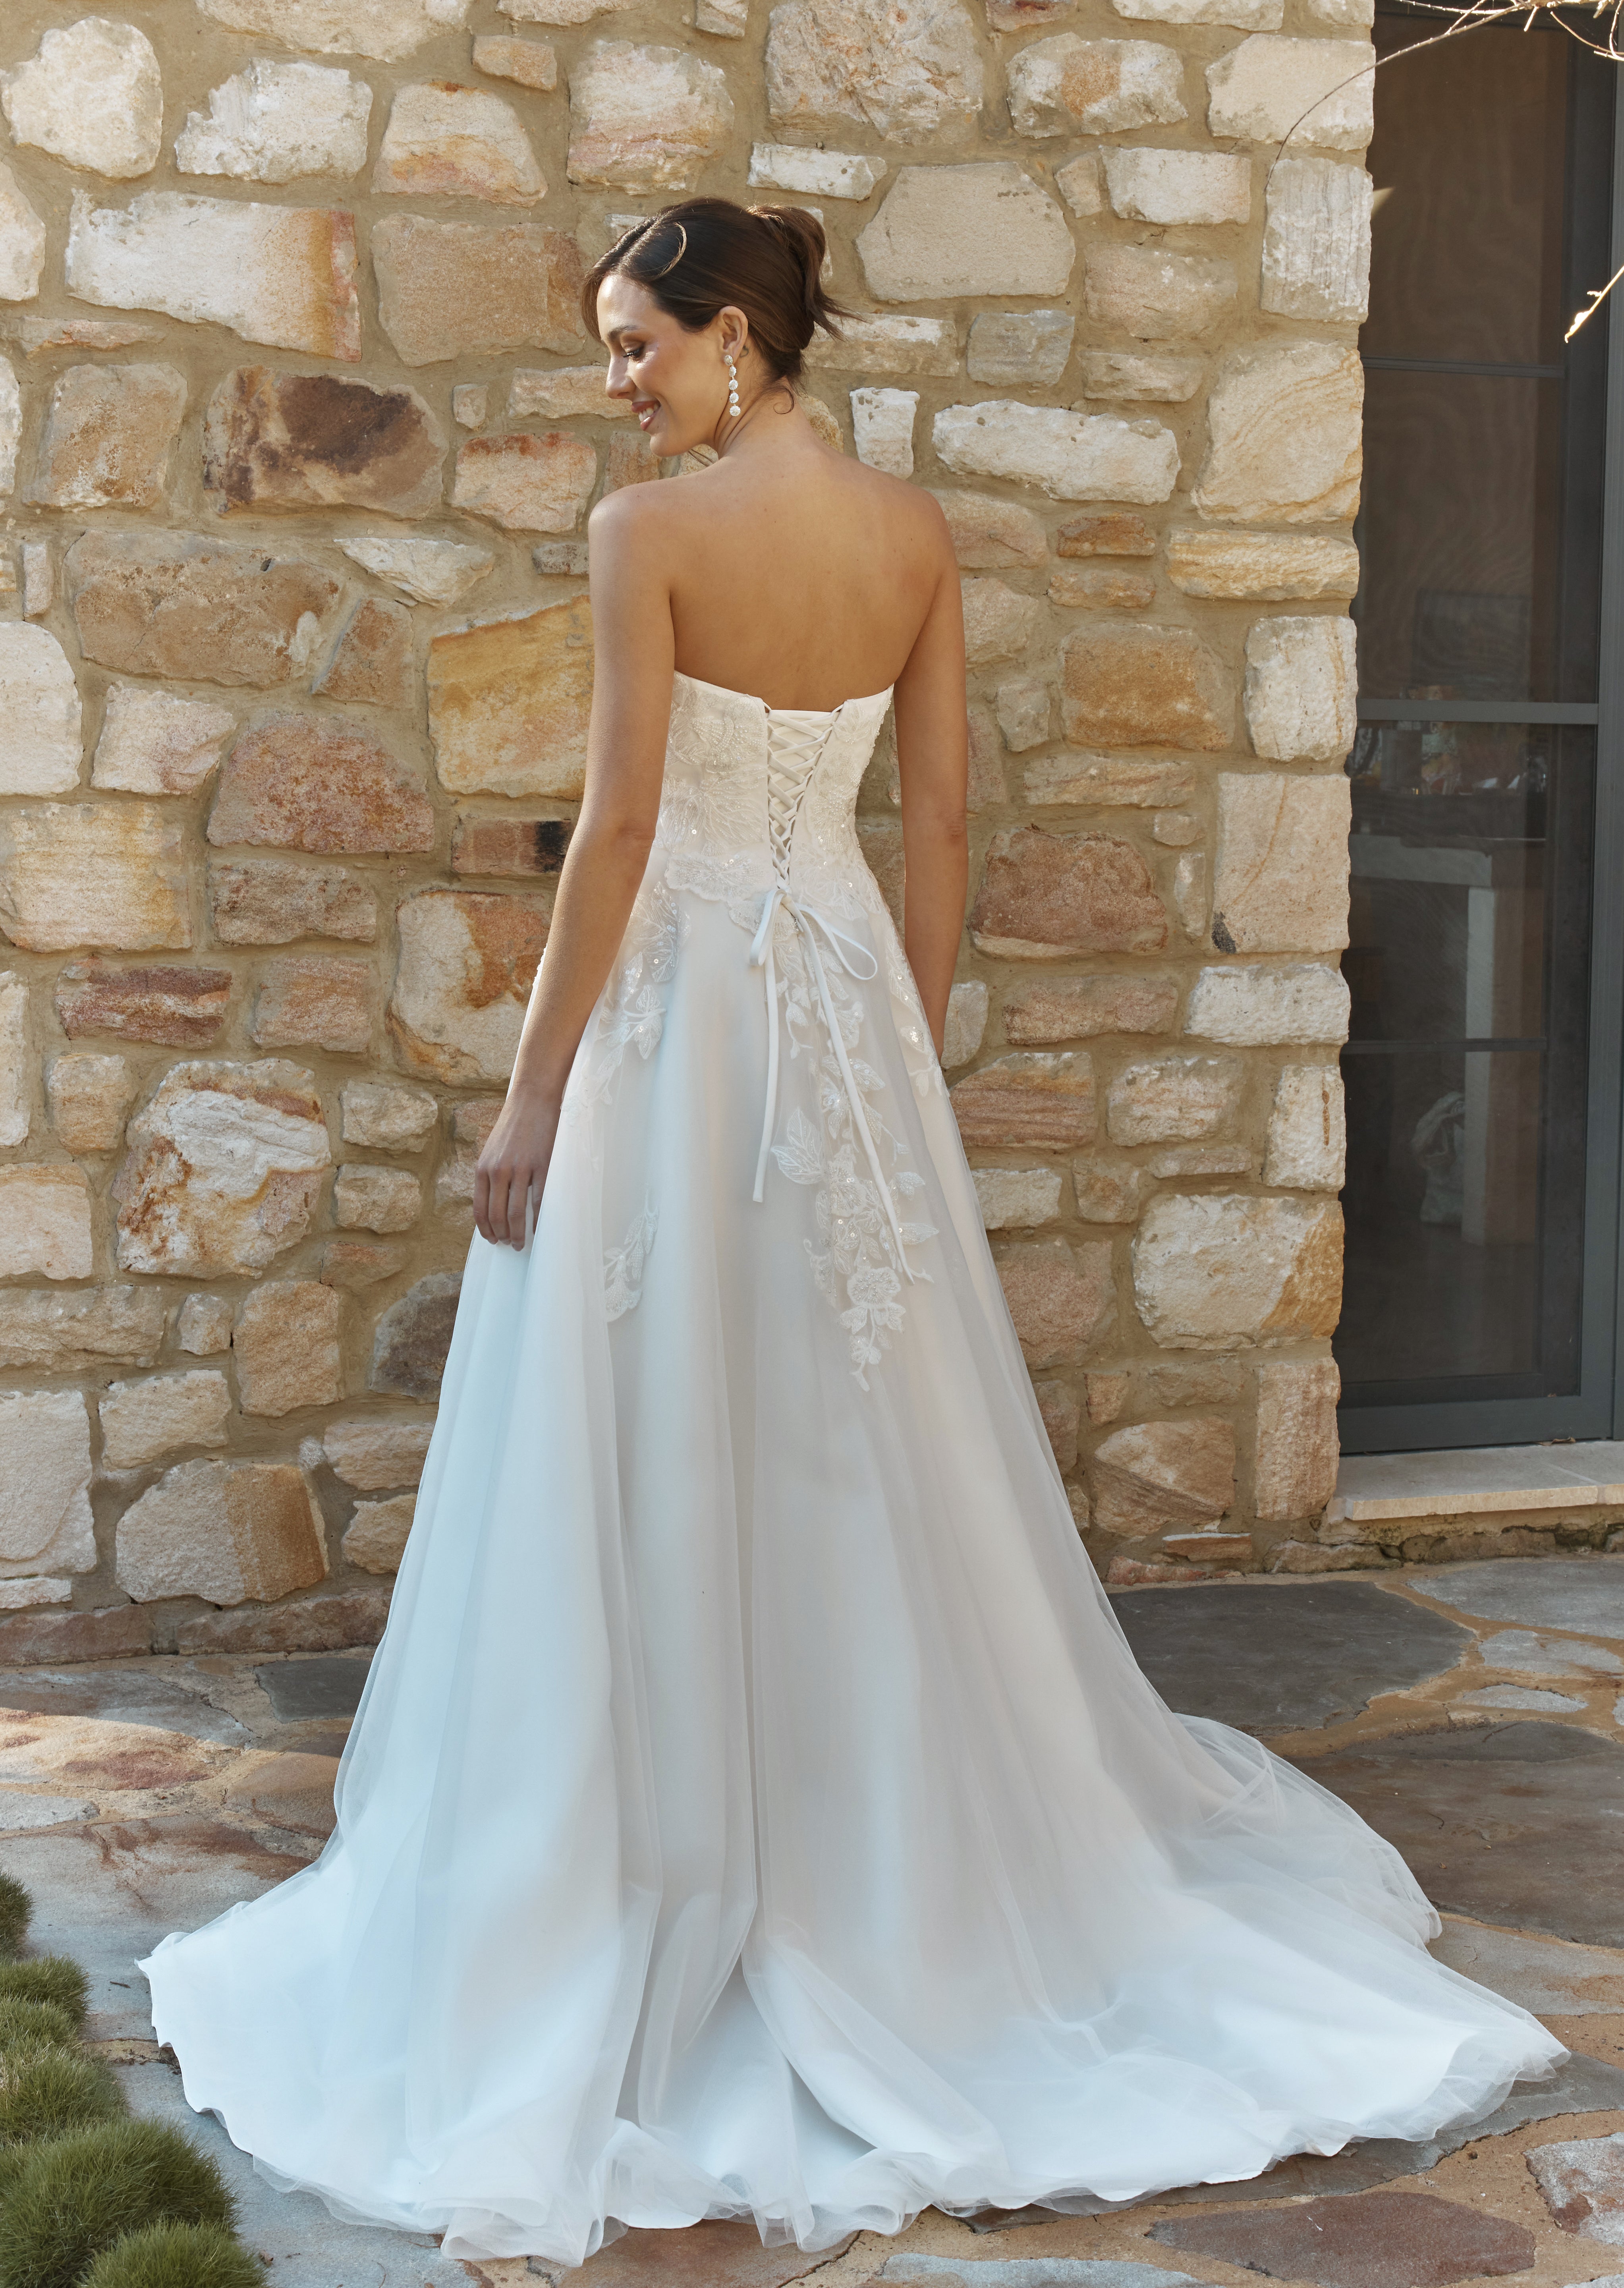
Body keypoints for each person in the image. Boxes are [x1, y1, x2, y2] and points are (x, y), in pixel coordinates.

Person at [141, 197, 1563, 2273]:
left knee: (662, 1432)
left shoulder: (652, 540)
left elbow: (621, 834)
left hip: (679, 1032)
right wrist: (884, 1049)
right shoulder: (909, 536)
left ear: (737, 340)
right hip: (838, 1020)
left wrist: (534, 1108)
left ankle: (655, 1870)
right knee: (855, 1455)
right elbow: (950, 827)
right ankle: (883, 1869)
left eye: (637, 347)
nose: (616, 385)